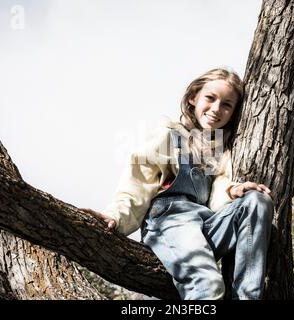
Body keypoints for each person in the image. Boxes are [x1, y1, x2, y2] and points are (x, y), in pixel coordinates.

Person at [80, 68, 274, 300]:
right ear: (193, 97)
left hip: (205, 225)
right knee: (208, 285)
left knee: (257, 201)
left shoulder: (221, 151)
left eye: (226, 105)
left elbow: (217, 192)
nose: (216, 109)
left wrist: (234, 190)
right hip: (170, 223)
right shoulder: (168, 137)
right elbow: (136, 184)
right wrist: (114, 216)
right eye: (210, 98)